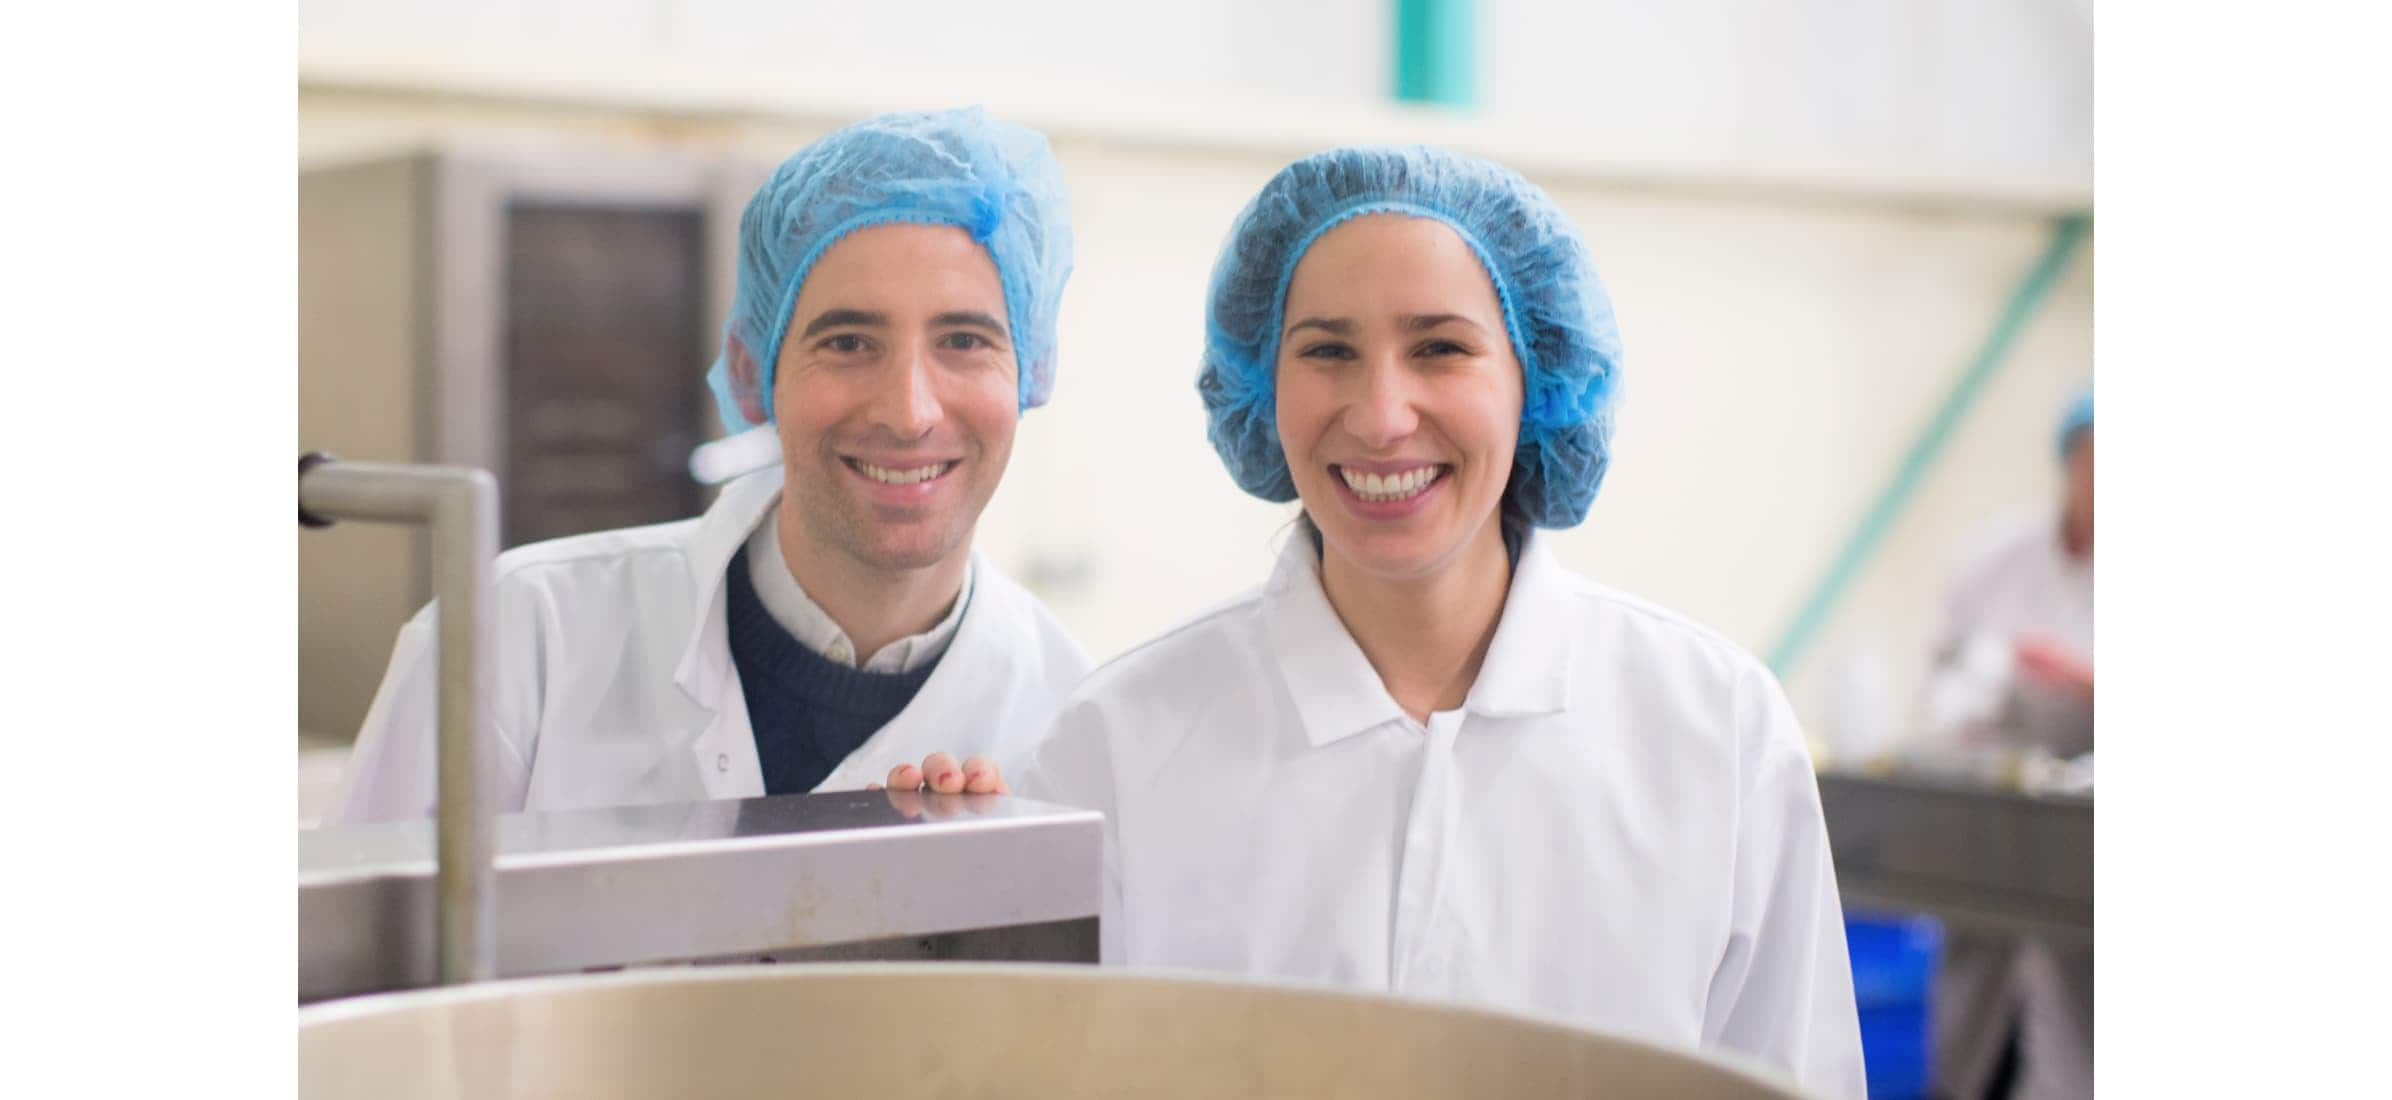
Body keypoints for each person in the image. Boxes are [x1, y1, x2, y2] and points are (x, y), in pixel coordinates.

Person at [894, 146, 1864, 1098]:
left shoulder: (1714, 729)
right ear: (1261, 384)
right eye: (1327, 351)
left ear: (1533, 375)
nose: (1382, 414)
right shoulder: (1118, 743)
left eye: (1439, 347)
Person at [328, 107, 1087, 823]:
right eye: (848, 342)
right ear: (754, 369)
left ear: (1033, 373)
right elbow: (348, 959)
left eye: (963, 341)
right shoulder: (512, 641)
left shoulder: (1072, 721)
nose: (909, 411)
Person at [1921, 389, 2096, 1100]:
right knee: (1977, 1023)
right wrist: (1981, 686)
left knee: (2079, 1033)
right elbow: (1943, 678)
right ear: (2069, 461)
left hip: (2087, 838)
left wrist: (2084, 680)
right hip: (1994, 824)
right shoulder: (2001, 557)